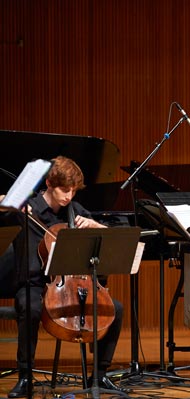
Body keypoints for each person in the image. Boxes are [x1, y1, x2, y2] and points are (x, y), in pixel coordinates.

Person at [6, 156, 125, 398]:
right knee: (31, 307)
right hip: (34, 285)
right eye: (64, 189)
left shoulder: (76, 211)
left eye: (73, 191)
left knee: (116, 308)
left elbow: (111, 236)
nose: (69, 196)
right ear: (49, 183)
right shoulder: (27, 209)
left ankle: (100, 375)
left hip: (73, 284)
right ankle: (25, 376)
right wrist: (11, 203)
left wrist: (95, 226)